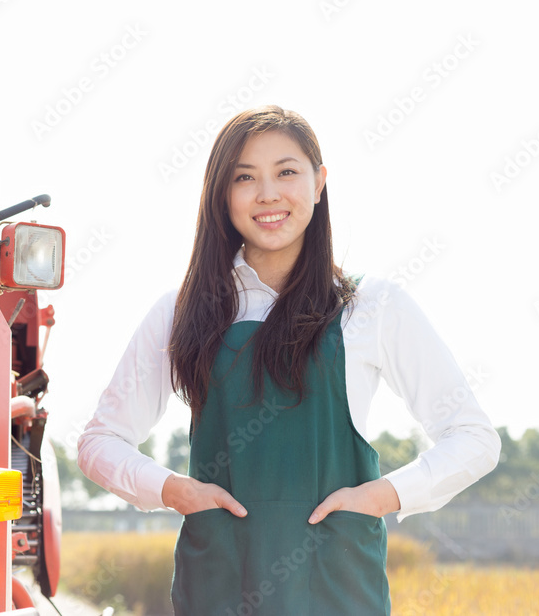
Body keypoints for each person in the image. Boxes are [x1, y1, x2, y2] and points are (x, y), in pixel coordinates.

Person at [77, 105, 500, 615]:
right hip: (220, 584)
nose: (268, 194)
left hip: (336, 583)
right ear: (222, 194)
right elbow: (99, 442)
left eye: (287, 172)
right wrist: (173, 490)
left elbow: (474, 438)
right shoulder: (182, 310)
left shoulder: (373, 308)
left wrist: (383, 496)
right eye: (244, 177)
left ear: (319, 183)